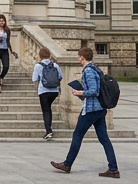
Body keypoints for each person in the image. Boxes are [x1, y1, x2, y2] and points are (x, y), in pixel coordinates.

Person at [50, 46, 119, 178]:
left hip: (91, 109)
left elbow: (94, 91)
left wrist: (79, 92)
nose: (78, 58)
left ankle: (67, 164)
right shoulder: (96, 68)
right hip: (100, 109)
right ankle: (113, 168)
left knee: (77, 135)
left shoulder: (88, 70)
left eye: (78, 56)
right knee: (104, 139)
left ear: (82, 57)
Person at [32, 47, 62, 140]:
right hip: (54, 91)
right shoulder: (55, 65)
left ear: (40, 56)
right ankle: (49, 129)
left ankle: (49, 131)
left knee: (46, 110)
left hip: (43, 91)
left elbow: (34, 79)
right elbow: (60, 76)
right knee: (48, 109)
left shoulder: (38, 66)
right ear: (49, 55)